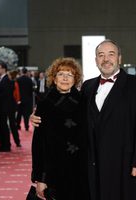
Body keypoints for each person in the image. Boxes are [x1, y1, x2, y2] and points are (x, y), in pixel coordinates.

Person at [31, 39, 136, 200]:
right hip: (91, 166)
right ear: (96, 60)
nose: (106, 59)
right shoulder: (88, 86)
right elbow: (66, 112)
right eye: (101, 55)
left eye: (111, 54)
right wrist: (36, 116)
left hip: (124, 165)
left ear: (119, 58)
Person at [31, 57, 87, 200]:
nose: (65, 78)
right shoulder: (44, 105)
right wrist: (40, 178)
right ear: (54, 79)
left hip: (80, 170)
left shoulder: (84, 103)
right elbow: (38, 145)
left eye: (70, 75)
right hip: (53, 171)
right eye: (61, 74)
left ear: (75, 79)